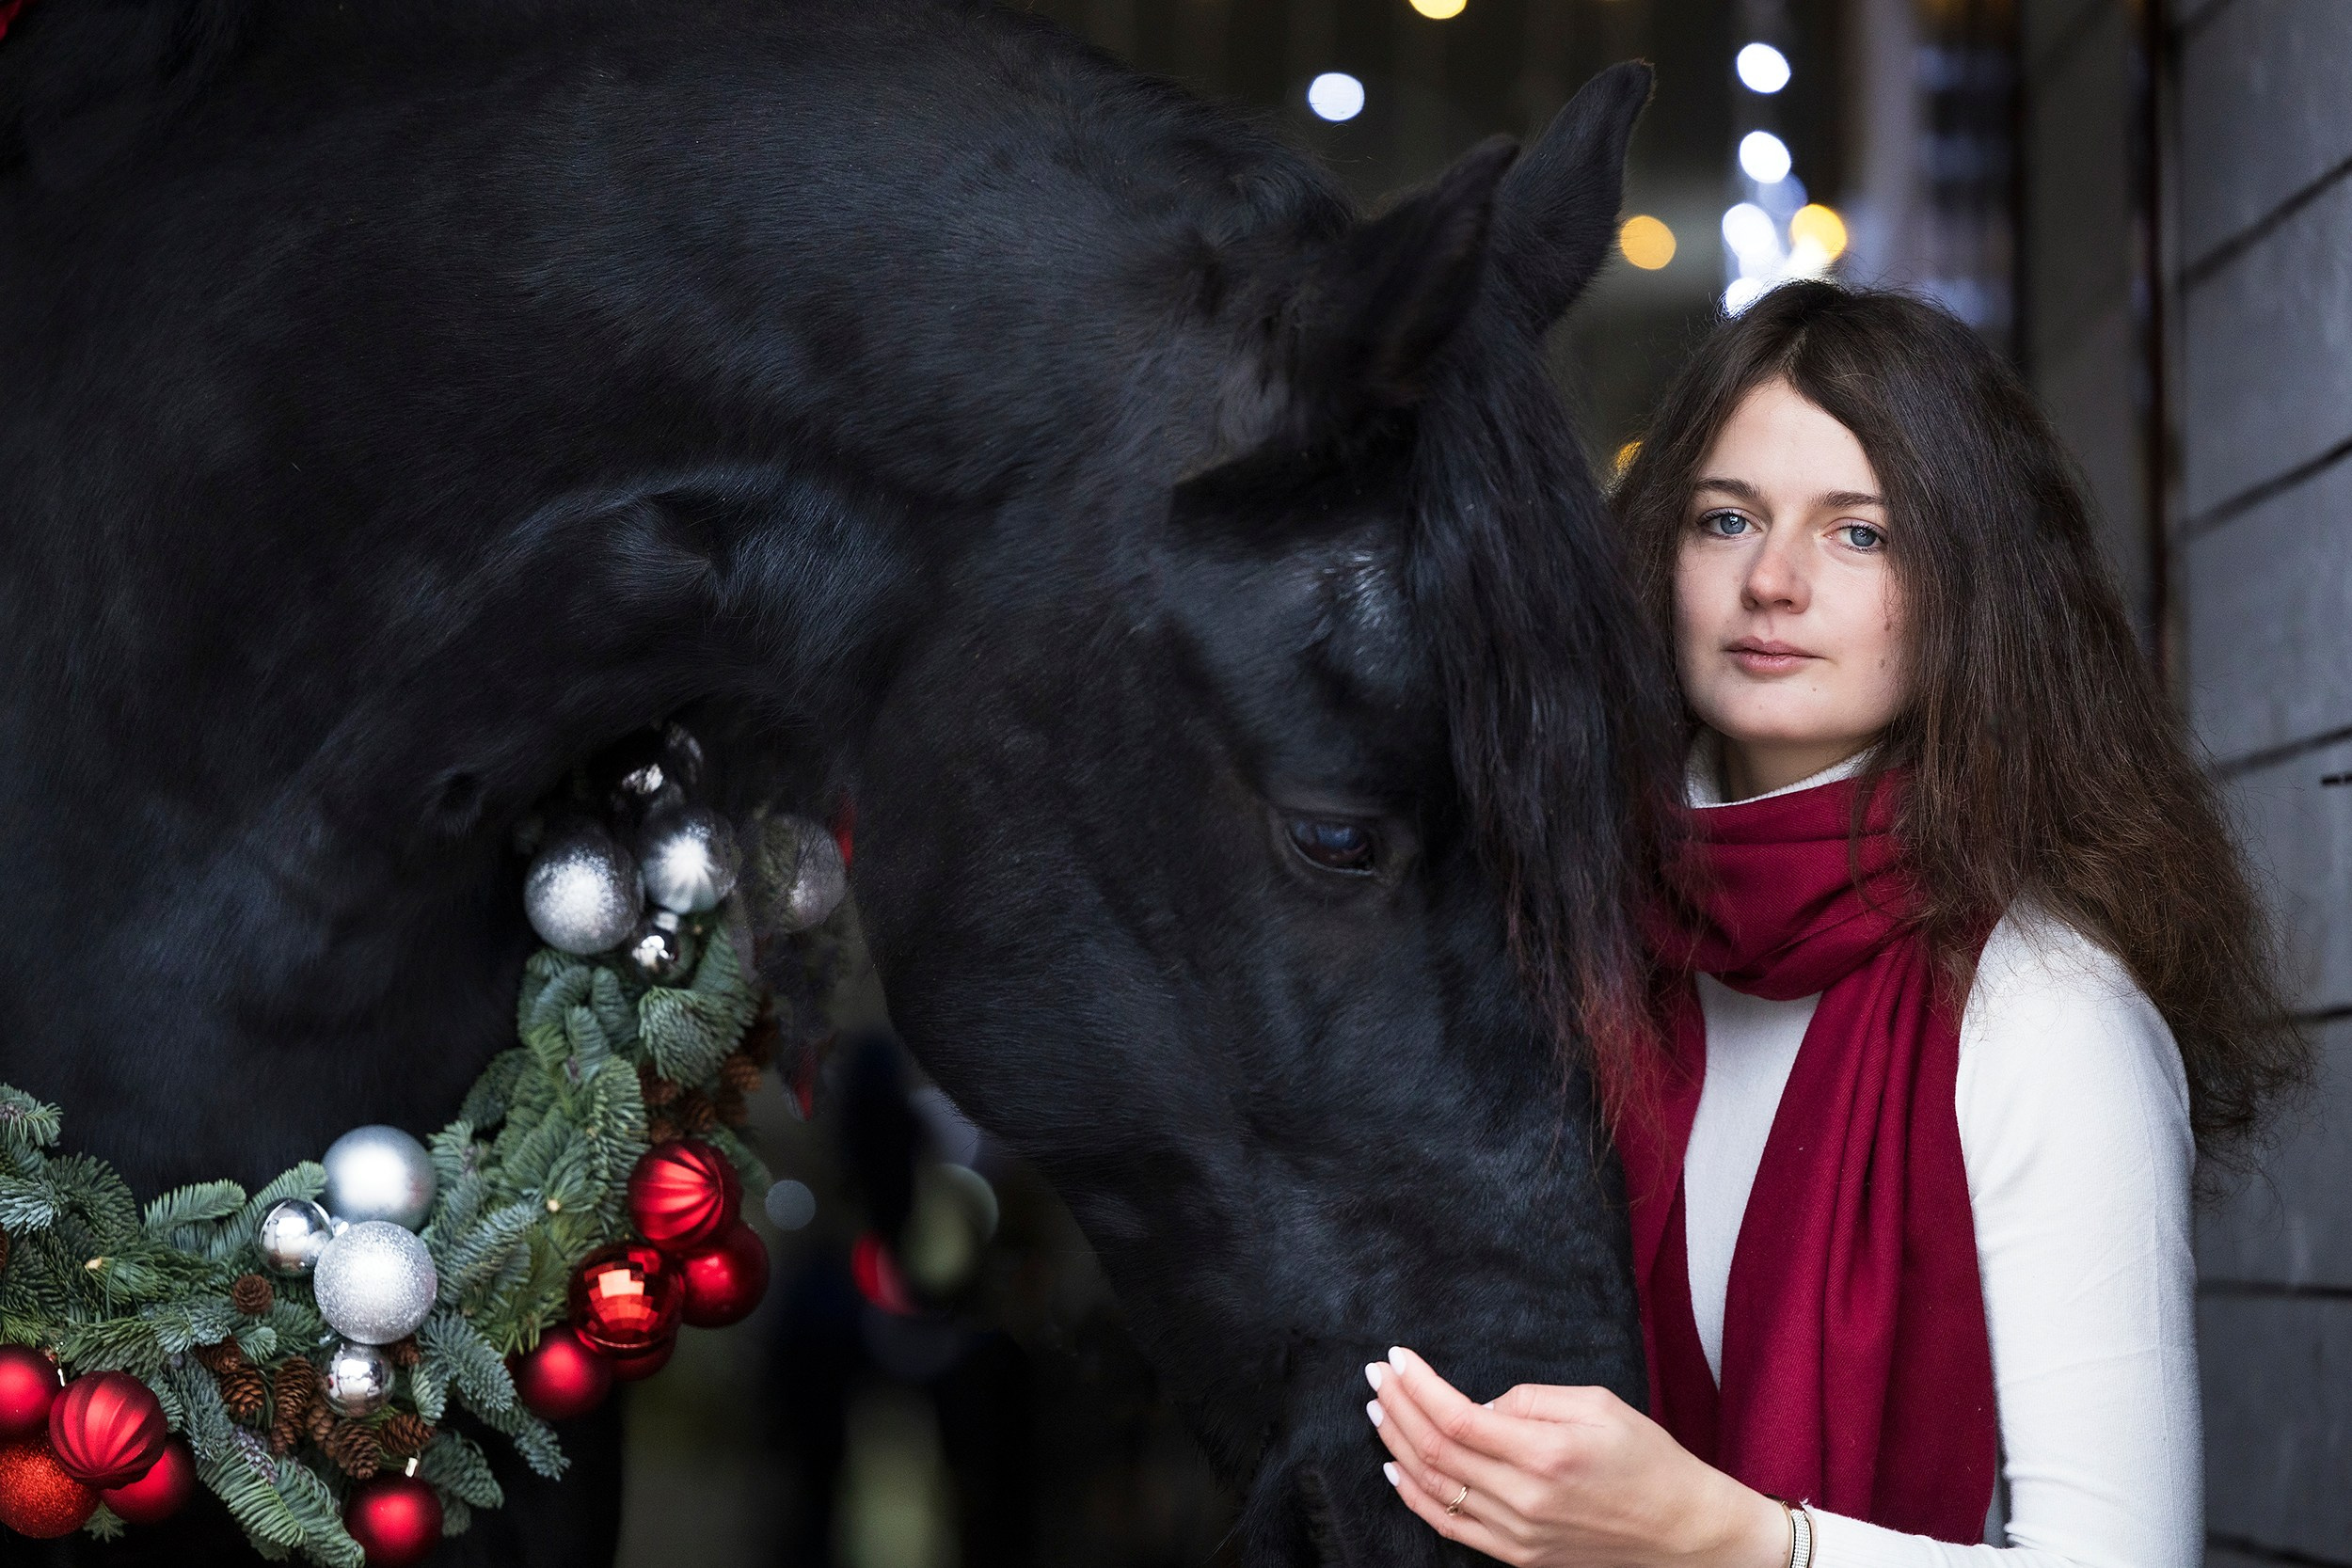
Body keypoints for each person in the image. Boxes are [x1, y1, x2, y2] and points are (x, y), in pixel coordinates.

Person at [1360, 281, 2309, 1567]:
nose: (1772, 581)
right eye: (1726, 519)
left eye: (1859, 534)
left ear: (1971, 589)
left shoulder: (2046, 1010)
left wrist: (1723, 1539)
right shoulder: (1579, 948)